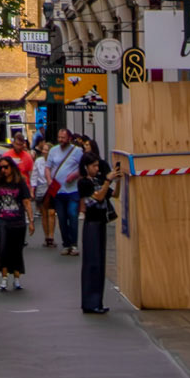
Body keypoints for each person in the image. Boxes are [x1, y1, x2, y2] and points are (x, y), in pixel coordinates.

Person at [0, 155, 34, 293]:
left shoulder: (20, 182)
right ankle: (4, 278)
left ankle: (16, 278)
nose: (3, 170)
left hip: (17, 221)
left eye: (6, 167)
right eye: (1, 167)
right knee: (3, 248)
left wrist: (31, 221)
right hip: (2, 220)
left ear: (12, 168)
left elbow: (26, 202)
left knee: (16, 249)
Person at [78, 151, 115, 313]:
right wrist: (108, 180)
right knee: (92, 263)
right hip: (91, 223)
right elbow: (99, 197)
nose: (96, 168)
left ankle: (97, 301)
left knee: (100, 263)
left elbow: (113, 194)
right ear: (86, 167)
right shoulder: (84, 183)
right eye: (93, 166)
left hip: (100, 222)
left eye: (97, 165)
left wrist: (117, 181)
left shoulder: (99, 180)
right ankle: (90, 302)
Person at [47, 126, 83, 254]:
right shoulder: (53, 151)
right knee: (61, 218)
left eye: (63, 138)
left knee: (72, 215)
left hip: (73, 190)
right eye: (59, 137)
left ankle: (73, 244)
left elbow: (83, 168)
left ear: (69, 138)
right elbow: (48, 167)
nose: (60, 140)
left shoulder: (77, 151)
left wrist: (75, 175)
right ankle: (66, 244)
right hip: (58, 191)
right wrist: (49, 180)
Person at [31, 140, 57, 248]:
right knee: (44, 214)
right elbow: (34, 175)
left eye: (47, 150)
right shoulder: (39, 161)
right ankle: (46, 236)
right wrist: (32, 190)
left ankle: (51, 236)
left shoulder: (55, 161)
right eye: (44, 150)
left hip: (52, 186)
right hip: (41, 187)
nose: (44, 152)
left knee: (51, 212)